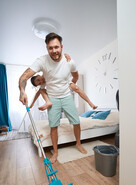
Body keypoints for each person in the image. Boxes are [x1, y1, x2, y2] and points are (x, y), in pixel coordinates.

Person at [19, 32, 87, 163]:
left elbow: (76, 76)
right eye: (51, 48)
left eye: (56, 47)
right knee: (53, 126)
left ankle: (78, 143)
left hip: (67, 96)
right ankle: (55, 152)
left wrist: (72, 83)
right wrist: (22, 91)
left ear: (61, 46)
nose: (54, 51)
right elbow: (24, 77)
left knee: (76, 122)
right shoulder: (42, 61)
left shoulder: (70, 61)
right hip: (53, 99)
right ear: (47, 48)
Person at [30, 74, 98, 111]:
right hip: (58, 92)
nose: (41, 82)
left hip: (65, 85)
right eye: (39, 83)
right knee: (41, 90)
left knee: (76, 88)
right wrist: (32, 103)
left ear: (38, 75)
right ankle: (48, 102)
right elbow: (37, 94)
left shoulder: (46, 73)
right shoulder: (42, 85)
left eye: (39, 79)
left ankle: (91, 104)